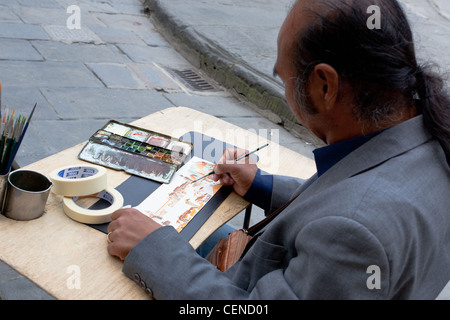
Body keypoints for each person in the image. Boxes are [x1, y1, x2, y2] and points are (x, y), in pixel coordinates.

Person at [106, 0, 450, 299]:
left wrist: (152, 250)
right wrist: (262, 184)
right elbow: (343, 199)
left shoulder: (356, 234)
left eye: (283, 78)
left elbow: (348, 218)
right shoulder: (426, 136)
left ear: (325, 85)